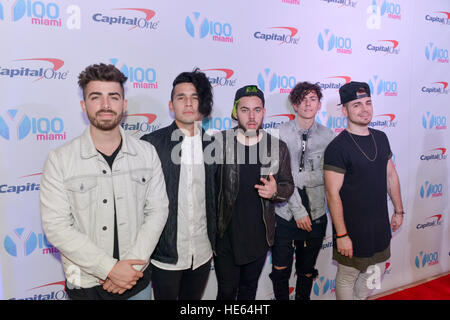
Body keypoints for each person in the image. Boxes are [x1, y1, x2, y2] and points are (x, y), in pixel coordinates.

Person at [40, 63, 169, 300]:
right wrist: (109, 269)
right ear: (84, 105)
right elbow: (56, 226)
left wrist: (130, 270)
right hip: (86, 285)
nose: (106, 105)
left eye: (113, 97)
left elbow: (158, 211)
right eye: (96, 97)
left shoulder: (147, 153)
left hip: (136, 281)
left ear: (124, 104)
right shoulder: (60, 160)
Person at [140, 68, 216, 300]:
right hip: (166, 255)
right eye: (181, 97)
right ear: (171, 105)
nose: (189, 103)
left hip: (202, 253)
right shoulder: (150, 144)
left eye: (195, 97)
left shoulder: (214, 146)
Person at [323, 81, 404, 300]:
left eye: (368, 102)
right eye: (356, 104)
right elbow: (332, 194)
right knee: (347, 276)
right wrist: (341, 235)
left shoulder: (381, 137)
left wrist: (398, 210)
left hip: (379, 225)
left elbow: (391, 176)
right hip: (352, 229)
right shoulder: (337, 147)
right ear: (344, 110)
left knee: (375, 271)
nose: (364, 108)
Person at [214, 85, 294, 300]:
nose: (251, 116)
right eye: (244, 109)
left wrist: (276, 192)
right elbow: (208, 191)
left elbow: (288, 185)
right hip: (226, 237)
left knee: (249, 291)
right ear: (235, 112)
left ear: (264, 112)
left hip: (259, 237)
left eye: (257, 110)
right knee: (226, 291)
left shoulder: (278, 147)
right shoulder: (218, 143)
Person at [270, 82, 334, 300]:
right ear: (294, 105)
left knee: (307, 270)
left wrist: (297, 177)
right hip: (285, 213)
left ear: (318, 104)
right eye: (302, 99)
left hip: (316, 214)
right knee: (280, 270)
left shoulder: (328, 136)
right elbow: (277, 177)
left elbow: (329, 175)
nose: (308, 103)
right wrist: (298, 211)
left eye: (313, 99)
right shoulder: (279, 133)